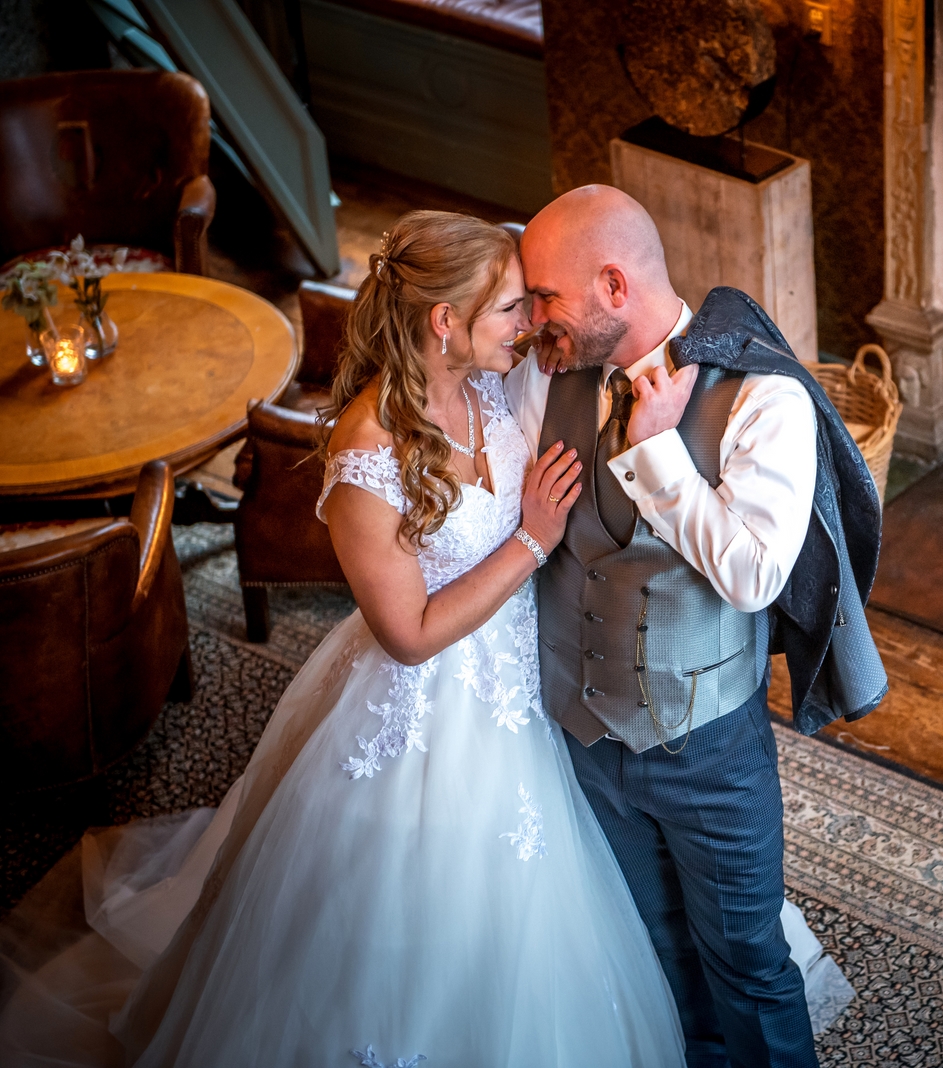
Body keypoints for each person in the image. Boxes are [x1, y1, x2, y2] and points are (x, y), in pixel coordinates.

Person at [0, 211, 687, 1067]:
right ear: (445, 321)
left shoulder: (485, 387)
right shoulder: (369, 452)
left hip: (521, 682)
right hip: (428, 706)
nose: (529, 323)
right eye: (512, 307)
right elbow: (407, 634)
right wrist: (532, 540)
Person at [507, 186, 888, 1068]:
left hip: (707, 751)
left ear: (612, 286)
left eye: (547, 298)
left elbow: (756, 575)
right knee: (654, 951)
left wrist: (657, 458)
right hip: (584, 736)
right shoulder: (547, 375)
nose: (534, 322)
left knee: (747, 966)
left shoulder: (763, 401)